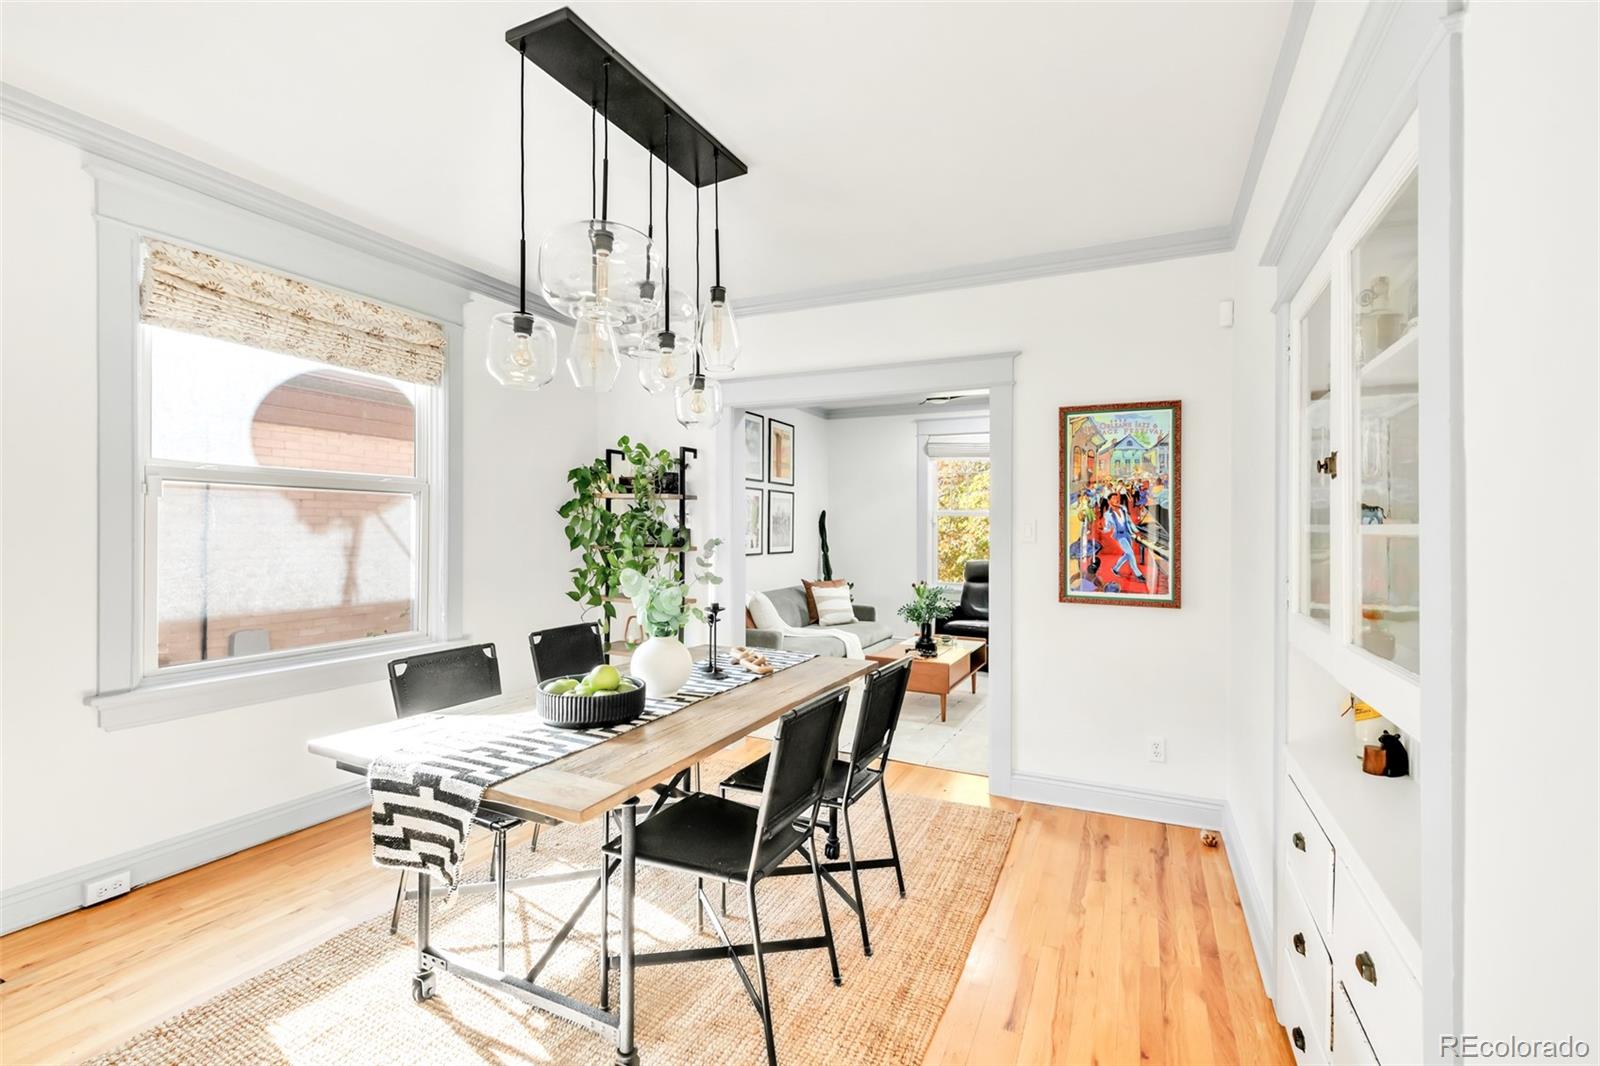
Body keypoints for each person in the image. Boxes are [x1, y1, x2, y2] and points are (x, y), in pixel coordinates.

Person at [1104, 492, 1144, 581]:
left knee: (1127, 554)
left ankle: (1115, 568)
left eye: (1117, 498)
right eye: (1114, 498)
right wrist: (1103, 529)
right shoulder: (1107, 514)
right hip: (1119, 535)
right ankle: (1138, 574)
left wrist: (1136, 531)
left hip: (1128, 533)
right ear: (1109, 501)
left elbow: (1129, 521)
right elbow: (1108, 526)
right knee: (1130, 553)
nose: (1117, 500)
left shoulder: (1123, 508)